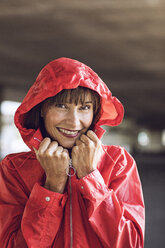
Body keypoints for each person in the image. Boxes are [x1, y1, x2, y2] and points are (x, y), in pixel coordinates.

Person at [0, 57, 145, 248]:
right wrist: (51, 186)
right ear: (42, 108)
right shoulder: (14, 169)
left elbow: (130, 244)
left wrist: (90, 176)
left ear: (95, 113)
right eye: (62, 106)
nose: (74, 122)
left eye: (84, 108)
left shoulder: (118, 162)